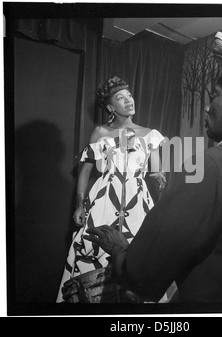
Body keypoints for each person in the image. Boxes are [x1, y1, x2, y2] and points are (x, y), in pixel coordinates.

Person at [83, 32, 222, 303]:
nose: (206, 107)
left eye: (214, 96)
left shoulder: (207, 167)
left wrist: (120, 251)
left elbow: (142, 272)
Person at [56, 76, 166, 302]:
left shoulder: (151, 134)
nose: (128, 101)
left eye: (129, 96)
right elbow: (85, 171)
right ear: (110, 107)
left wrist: (160, 179)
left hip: (139, 203)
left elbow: (156, 173)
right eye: (120, 98)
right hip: (103, 200)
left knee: (137, 257)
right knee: (92, 251)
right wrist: (79, 205)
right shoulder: (100, 133)